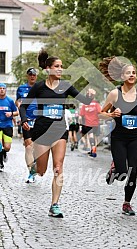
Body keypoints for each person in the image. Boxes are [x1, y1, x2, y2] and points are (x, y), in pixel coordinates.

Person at [19, 49, 92, 218]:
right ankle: (34, 167)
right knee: (41, 171)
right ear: (48, 69)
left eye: (62, 66)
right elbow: (23, 106)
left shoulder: (65, 86)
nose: (60, 69)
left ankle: (55, 205)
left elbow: (84, 100)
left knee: (58, 168)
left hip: (60, 131)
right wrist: (24, 120)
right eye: (57, 66)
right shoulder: (38, 87)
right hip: (41, 132)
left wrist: (90, 95)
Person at [99, 56, 137, 216]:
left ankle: (127, 203)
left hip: (135, 139)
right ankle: (115, 169)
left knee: (133, 171)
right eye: (128, 73)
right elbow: (101, 114)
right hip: (119, 138)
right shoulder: (114, 95)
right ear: (122, 76)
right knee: (122, 172)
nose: (132, 75)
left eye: (134, 73)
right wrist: (112, 114)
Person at [15, 67, 38, 183]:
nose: (32, 76)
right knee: (28, 146)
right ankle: (31, 172)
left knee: (37, 147)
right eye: (30, 74)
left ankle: (36, 162)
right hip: (26, 120)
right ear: (27, 76)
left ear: (36, 76)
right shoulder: (21, 88)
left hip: (39, 120)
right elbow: (18, 101)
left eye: (34, 74)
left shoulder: (40, 88)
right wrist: (20, 107)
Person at [0, 83, 18, 170]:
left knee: (7, 147)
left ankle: (4, 153)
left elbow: (16, 112)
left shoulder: (10, 101)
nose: (2, 90)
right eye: (0, 88)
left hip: (7, 125)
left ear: (6, 90)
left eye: (3, 88)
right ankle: (0, 163)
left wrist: (11, 113)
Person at [79, 88, 101, 157]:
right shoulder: (96, 104)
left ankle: (92, 149)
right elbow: (100, 113)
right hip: (96, 123)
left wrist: (81, 124)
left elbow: (81, 116)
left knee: (90, 136)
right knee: (95, 136)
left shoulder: (84, 105)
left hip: (88, 123)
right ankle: (93, 149)